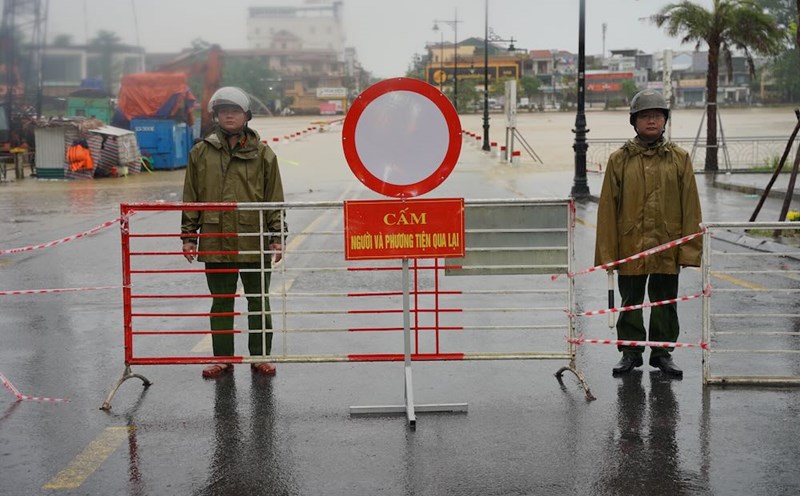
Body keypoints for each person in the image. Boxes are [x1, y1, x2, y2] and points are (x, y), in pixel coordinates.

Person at [594, 89, 702, 378]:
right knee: (630, 301)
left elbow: (690, 205)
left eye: (656, 115)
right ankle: (630, 353)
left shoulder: (679, 158)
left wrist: (688, 250)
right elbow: (607, 209)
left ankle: (662, 353)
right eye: (645, 116)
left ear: (665, 120)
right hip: (631, 243)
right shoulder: (620, 160)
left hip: (667, 243)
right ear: (634, 121)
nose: (651, 121)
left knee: (665, 301)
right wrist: (608, 254)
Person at [181, 86, 287, 379]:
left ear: (246, 116)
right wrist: (188, 236)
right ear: (215, 115)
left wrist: (278, 237)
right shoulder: (200, 153)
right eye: (223, 111)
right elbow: (191, 196)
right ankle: (223, 359)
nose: (229, 115)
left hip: (254, 238)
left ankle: (261, 356)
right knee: (222, 302)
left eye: (235, 110)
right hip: (215, 237)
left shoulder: (264, 155)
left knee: (258, 300)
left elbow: (274, 199)